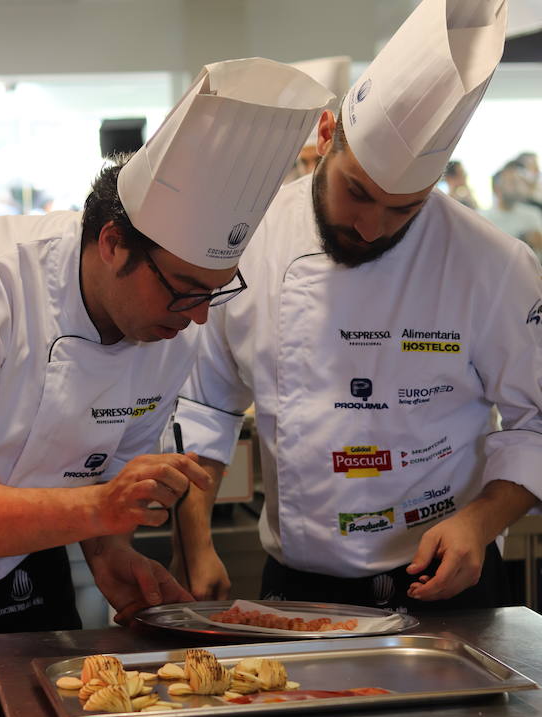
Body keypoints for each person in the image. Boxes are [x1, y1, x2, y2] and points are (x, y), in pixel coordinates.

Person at [170, 0, 542, 615]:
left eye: (404, 210)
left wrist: (481, 521)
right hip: (299, 589)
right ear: (324, 136)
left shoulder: (494, 266)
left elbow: (535, 422)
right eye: (358, 192)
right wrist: (196, 540)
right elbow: (203, 403)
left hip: (451, 585)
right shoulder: (248, 242)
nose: (371, 226)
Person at [0, 58, 332, 634]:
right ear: (113, 243)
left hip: (27, 561)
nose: (198, 316)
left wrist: (112, 552)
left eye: (214, 294)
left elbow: (112, 472)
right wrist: (100, 510)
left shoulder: (170, 328)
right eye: (184, 291)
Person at [480, 162, 542, 259]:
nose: (517, 187)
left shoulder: (532, 214)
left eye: (518, 182)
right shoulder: (483, 218)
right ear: (497, 188)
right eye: (512, 182)